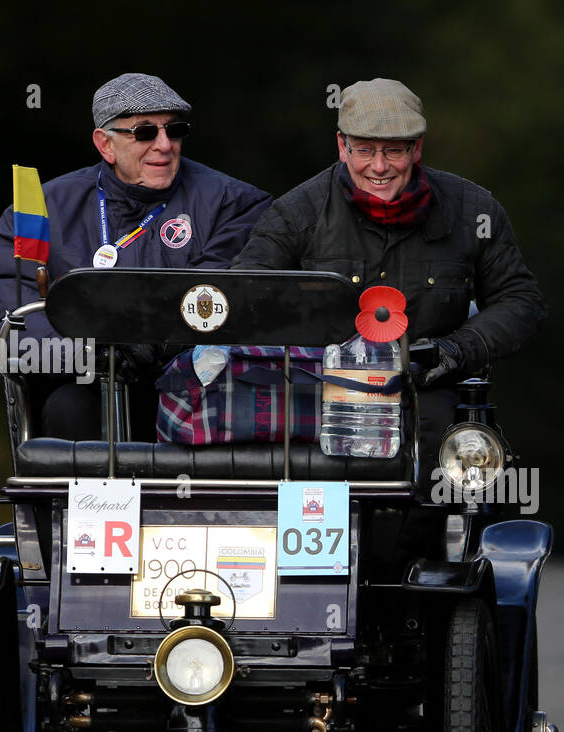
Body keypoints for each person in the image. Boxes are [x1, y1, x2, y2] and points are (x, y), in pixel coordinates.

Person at [232, 77, 546, 501]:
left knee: (459, 478)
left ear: (416, 149)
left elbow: (521, 302)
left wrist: (457, 349)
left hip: (430, 394)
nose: (378, 167)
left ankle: (431, 558)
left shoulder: (474, 210)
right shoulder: (295, 213)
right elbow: (242, 298)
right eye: (364, 150)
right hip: (317, 400)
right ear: (341, 147)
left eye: (393, 150)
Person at [0, 72, 271, 439]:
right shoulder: (39, 210)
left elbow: (219, 297)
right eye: (145, 132)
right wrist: (98, 354)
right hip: (86, 390)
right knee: (68, 407)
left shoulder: (234, 202)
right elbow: (10, 332)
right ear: (105, 144)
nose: (164, 145)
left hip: (197, 387)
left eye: (175, 130)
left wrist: (155, 340)